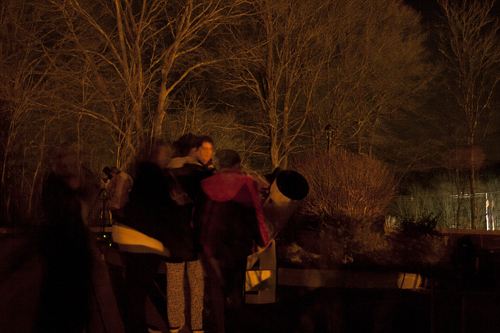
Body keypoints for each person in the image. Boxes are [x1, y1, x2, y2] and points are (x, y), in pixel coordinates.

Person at [118, 139, 193, 333]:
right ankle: (137, 328)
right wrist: (178, 206)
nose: (167, 157)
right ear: (157, 155)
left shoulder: (143, 173)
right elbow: (162, 211)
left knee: (135, 288)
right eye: (164, 154)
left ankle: (138, 325)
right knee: (138, 291)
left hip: (133, 238)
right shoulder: (155, 177)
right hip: (144, 241)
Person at [194, 149, 270, 333]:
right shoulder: (247, 183)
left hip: (212, 245)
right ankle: (236, 325)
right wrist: (263, 239)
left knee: (215, 288)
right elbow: (256, 214)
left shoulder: (205, 183)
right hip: (239, 244)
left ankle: (219, 327)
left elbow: (198, 215)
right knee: (238, 287)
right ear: (237, 164)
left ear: (220, 164)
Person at [35, 143, 94, 333]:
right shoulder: (56, 184)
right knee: (63, 303)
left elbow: (84, 215)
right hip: (64, 252)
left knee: (69, 303)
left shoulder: (71, 183)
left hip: (70, 252)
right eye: (69, 156)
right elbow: (62, 215)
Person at [165, 134, 216, 333]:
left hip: (173, 235)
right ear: (193, 150)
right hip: (194, 235)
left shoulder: (166, 172)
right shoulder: (200, 173)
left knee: (174, 282)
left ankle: (175, 324)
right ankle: (197, 325)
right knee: (196, 282)